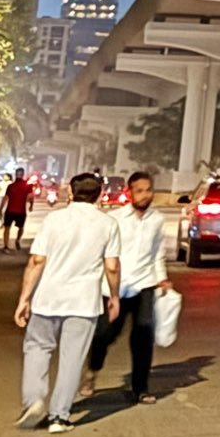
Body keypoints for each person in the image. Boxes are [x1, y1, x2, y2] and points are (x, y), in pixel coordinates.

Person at [13, 169, 119, 433]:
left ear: (70, 192)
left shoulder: (53, 220)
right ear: (99, 195)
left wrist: (24, 298)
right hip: (84, 302)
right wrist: (114, 296)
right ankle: (59, 417)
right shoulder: (108, 224)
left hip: (48, 298)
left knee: (37, 348)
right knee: (73, 358)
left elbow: (37, 260)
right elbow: (112, 266)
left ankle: (34, 401)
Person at [80, 170, 174, 405]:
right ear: (129, 192)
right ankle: (92, 370)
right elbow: (101, 251)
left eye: (148, 190)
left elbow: (157, 252)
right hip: (115, 288)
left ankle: (140, 388)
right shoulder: (115, 219)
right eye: (139, 191)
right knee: (104, 334)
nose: (145, 195)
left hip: (144, 284)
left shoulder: (156, 220)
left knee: (143, 335)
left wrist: (161, 278)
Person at [0, 168, 29, 252]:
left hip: (12, 211)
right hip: (18, 211)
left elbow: (5, 198)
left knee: (8, 228)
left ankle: (8, 245)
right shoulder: (25, 186)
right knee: (19, 227)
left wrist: (1, 209)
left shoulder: (12, 186)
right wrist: (31, 205)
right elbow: (31, 197)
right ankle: (13, 242)